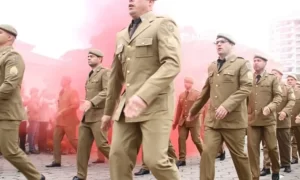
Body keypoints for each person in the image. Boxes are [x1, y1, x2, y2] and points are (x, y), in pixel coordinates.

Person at [100, 0, 181, 179]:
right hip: (126, 108)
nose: (130, 1)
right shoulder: (121, 34)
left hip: (155, 104)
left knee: (155, 160)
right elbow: (115, 77)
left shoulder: (162, 24)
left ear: (151, 2)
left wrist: (143, 96)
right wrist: (108, 111)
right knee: (118, 157)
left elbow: (172, 64)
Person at [188, 33, 252, 180]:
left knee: (239, 157)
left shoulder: (241, 64)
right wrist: (194, 111)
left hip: (233, 121)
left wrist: (227, 106)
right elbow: (206, 91)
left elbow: (246, 87)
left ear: (231, 44)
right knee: (207, 153)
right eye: (216, 42)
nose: (218, 44)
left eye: (222, 42)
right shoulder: (212, 66)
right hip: (213, 121)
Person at [0, 24, 45, 180]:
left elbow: (9, 85)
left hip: (6, 112)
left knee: (10, 150)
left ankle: (36, 177)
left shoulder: (13, 57)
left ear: (10, 37)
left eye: (0, 32)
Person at [73, 49, 111, 180]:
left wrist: (91, 102)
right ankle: (80, 175)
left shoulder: (105, 72)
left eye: (92, 56)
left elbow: (108, 91)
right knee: (82, 147)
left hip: (99, 115)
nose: (89, 58)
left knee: (102, 145)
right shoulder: (90, 74)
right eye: (88, 56)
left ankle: (123, 166)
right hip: (87, 116)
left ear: (100, 59)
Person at [247, 54, 282, 180]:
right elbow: (244, 97)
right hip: (252, 120)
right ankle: (254, 176)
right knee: (252, 150)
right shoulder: (249, 78)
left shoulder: (272, 79)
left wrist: (270, 107)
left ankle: (276, 170)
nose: (256, 63)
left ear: (265, 63)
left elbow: (278, 97)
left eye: (259, 60)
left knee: (272, 147)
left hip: (268, 120)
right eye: (254, 60)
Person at [262, 68, 295, 174]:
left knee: (284, 144)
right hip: (268, 121)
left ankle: (286, 164)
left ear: (281, 75)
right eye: (271, 74)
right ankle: (266, 167)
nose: (273, 75)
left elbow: (292, 101)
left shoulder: (287, 88)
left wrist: (285, 112)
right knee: (267, 145)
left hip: (282, 121)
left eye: (275, 74)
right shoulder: (266, 87)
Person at [46, 76, 79, 168]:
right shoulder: (61, 92)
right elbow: (60, 105)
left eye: (63, 80)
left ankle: (83, 158)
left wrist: (62, 112)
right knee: (56, 140)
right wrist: (56, 114)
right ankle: (56, 161)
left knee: (73, 140)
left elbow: (75, 105)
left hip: (69, 120)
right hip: (59, 121)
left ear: (68, 81)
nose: (61, 81)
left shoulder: (72, 91)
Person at [172, 77, 203, 167]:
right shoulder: (181, 95)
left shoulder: (197, 94)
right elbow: (178, 110)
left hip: (194, 121)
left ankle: (205, 156)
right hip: (183, 121)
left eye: (188, 83)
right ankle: (182, 159)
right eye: (185, 82)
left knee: (196, 139)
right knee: (181, 139)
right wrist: (175, 122)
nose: (186, 84)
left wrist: (193, 116)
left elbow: (200, 108)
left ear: (192, 84)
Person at [286, 75, 300, 167]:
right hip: (287, 121)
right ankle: (289, 161)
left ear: (295, 81)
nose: (289, 81)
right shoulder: (285, 91)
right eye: (288, 80)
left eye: (291, 80)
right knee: (286, 142)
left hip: (299, 121)